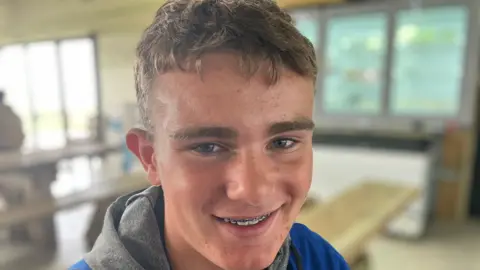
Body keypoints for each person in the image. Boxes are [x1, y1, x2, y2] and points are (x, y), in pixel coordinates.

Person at [71, 0, 350, 269]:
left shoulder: (315, 257)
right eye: (207, 147)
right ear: (150, 158)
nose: (253, 191)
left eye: (283, 142)